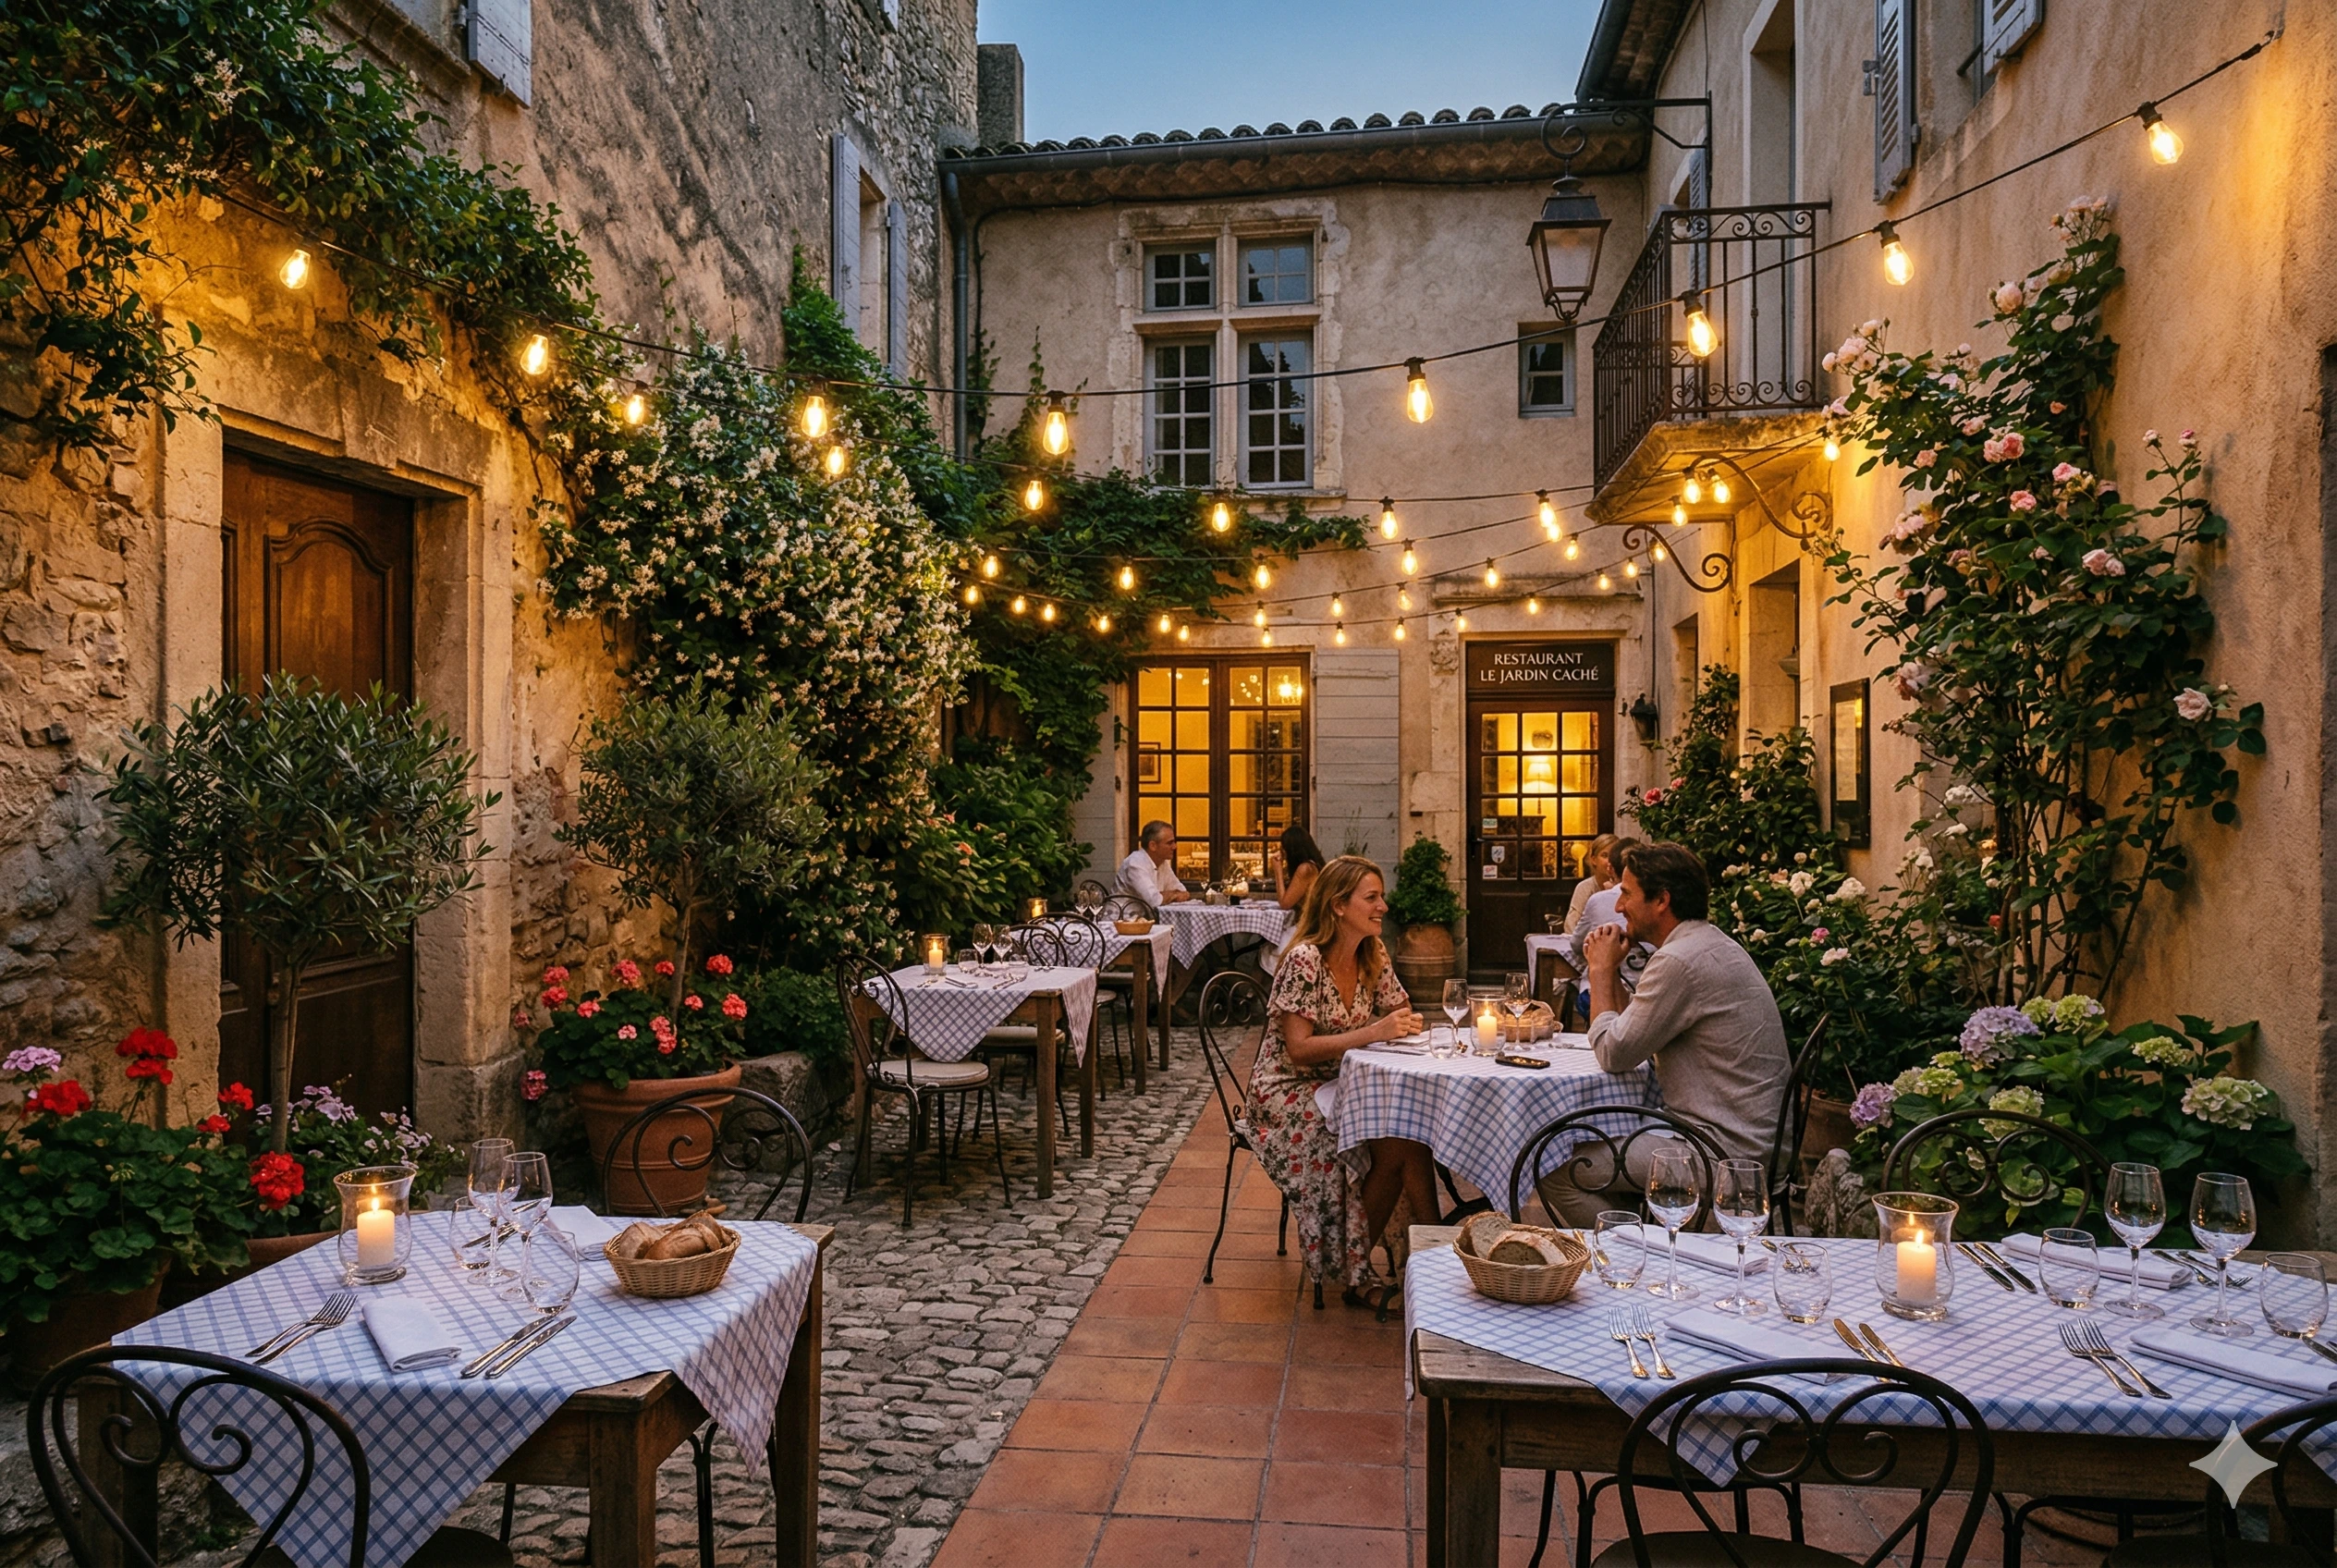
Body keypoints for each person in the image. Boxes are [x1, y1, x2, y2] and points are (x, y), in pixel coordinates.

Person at [1544, 840, 1788, 1227]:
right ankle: (1652, 1237)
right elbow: (1634, 1033)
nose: (1619, 906)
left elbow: (1613, 1052)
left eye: (1626, 893)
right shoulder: (1706, 943)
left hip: (1720, 1152)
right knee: (1590, 1150)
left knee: (1553, 1167)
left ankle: (1639, 1251)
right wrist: (1613, 971)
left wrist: (1601, 971)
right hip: (1747, 1140)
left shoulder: (1678, 961)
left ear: (1662, 900)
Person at [1250, 854, 1434, 1310]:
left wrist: (1408, 1027)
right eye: (1371, 898)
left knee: (1411, 1138)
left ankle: (1434, 1262)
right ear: (1337, 905)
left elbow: (1400, 1014)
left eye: (1381, 897)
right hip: (1286, 1091)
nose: (1383, 907)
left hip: (1344, 1082)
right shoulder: (1304, 960)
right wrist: (1374, 1032)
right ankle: (1361, 1272)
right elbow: (1297, 1048)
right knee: (1373, 1142)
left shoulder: (1373, 952)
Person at [1118, 820, 1191, 908]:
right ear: (1153, 846)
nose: (1175, 847)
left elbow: (1183, 892)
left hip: (1147, 919)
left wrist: (1168, 895)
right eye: (1169, 843)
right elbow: (1154, 901)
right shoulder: (1135, 863)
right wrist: (1173, 894)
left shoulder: (1163, 862)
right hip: (1121, 918)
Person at [1562, 833, 1621, 933]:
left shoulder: (1624, 886)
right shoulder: (1585, 888)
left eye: (1613, 856)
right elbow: (1571, 925)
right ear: (1594, 860)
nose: (1609, 861)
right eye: (1604, 855)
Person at [1274, 824, 1325, 911]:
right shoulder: (1312, 865)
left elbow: (1284, 904)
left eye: (1283, 847)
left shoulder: (1306, 869)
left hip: (1309, 922)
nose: (1282, 851)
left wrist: (1278, 870)